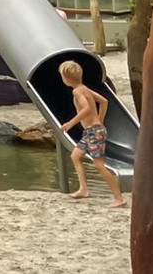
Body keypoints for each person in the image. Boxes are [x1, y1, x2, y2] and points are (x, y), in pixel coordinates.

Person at [58, 61, 128, 208]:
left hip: (94, 132)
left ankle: (119, 198)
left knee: (99, 165)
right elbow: (104, 102)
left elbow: (87, 109)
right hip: (92, 131)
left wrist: (70, 123)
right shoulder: (84, 88)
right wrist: (100, 120)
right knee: (75, 156)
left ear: (66, 79)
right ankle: (84, 189)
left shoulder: (77, 91)